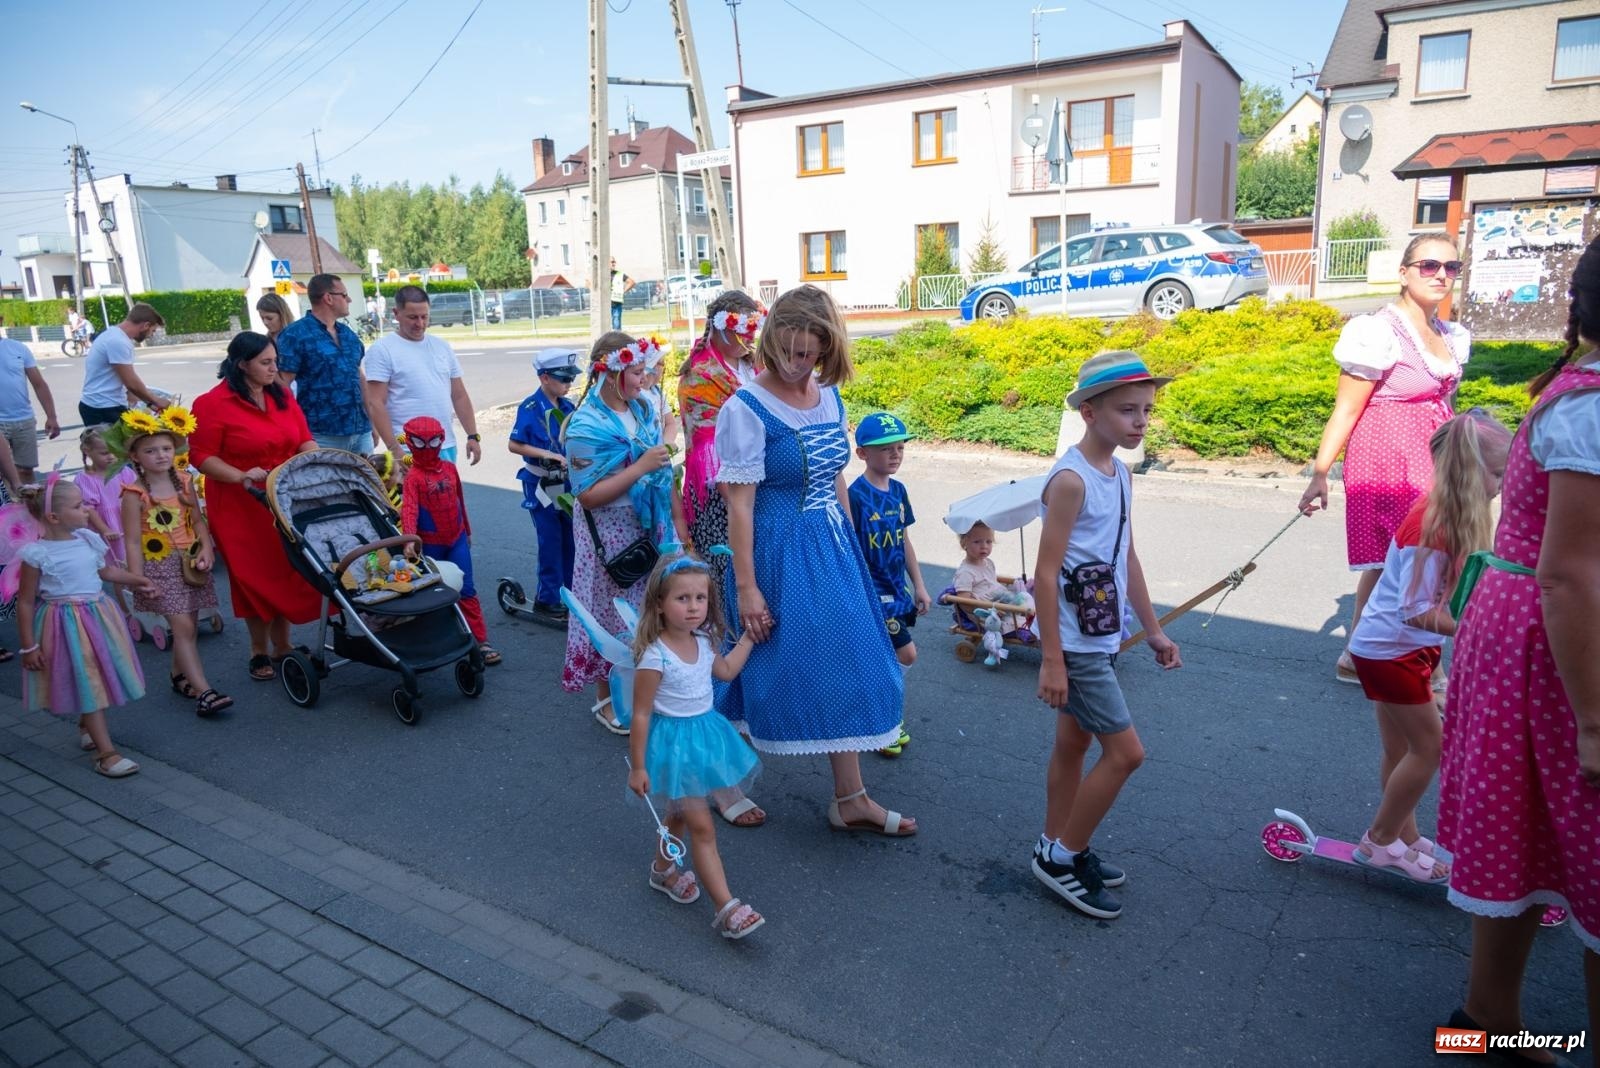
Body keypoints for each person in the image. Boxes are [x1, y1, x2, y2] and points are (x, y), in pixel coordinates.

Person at [1437, 235, 1600, 1050]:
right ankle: (1486, 1024)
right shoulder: (1590, 404)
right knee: (1556, 825)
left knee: (1525, 824)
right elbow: (1572, 575)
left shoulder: (1576, 392)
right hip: (1552, 642)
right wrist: (1595, 722)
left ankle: (1480, 1023)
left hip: (1526, 627)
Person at [715, 284, 915, 835]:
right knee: (753, 663)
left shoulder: (828, 396)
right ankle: (717, 780)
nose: (798, 364)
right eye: (788, 352)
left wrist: (854, 546)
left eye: (810, 353)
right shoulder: (745, 408)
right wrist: (748, 587)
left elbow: (835, 478)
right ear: (771, 341)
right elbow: (740, 505)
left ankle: (851, 797)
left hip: (830, 546)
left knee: (849, 659)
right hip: (775, 550)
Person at [1032, 351, 1182, 920]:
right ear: (1089, 413)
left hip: (1102, 636)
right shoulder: (1071, 480)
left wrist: (1153, 629)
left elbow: (1126, 555)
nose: (1141, 421)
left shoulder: (1117, 471)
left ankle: (1056, 842)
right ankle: (1062, 859)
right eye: (1127, 410)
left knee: (1073, 745)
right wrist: (1052, 660)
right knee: (1126, 754)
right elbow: (1045, 574)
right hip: (1075, 644)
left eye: (1146, 409)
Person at [1345, 410, 1511, 882]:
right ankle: (1379, 841)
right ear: (1467, 471)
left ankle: (1404, 837)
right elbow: (1414, 610)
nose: (1502, 483)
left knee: (1401, 750)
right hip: (1390, 651)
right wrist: (1477, 626)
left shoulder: (1444, 514)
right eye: (1497, 473)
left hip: (1395, 649)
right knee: (1429, 749)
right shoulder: (1432, 527)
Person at [1299, 235, 1471, 685]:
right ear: (1404, 272)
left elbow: (1444, 400)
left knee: (1423, 554)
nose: (1441, 275)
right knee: (1400, 555)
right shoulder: (1376, 331)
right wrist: (1321, 473)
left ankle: (1360, 655)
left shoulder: (1451, 335)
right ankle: (1393, 659)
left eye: (1451, 268)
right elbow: (1347, 408)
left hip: (1436, 453)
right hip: (1387, 456)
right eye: (1429, 265)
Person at [627, 552, 765, 940]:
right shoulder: (655, 657)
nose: (692, 607)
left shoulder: (704, 640)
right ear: (659, 604)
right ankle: (727, 906)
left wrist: (750, 640)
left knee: (679, 816)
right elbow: (640, 715)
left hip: (706, 739)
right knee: (702, 825)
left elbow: (725, 671)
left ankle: (661, 871)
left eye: (700, 598)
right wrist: (638, 767)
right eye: (682, 599)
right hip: (674, 746)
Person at [190, 332, 322, 681]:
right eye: (265, 363)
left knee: (286, 569)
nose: (274, 368)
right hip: (239, 503)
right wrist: (238, 476)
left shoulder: (282, 395)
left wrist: (318, 459)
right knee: (252, 576)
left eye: (275, 360)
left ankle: (284, 646)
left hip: (282, 497)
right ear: (241, 364)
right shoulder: (211, 403)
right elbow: (200, 456)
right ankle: (258, 650)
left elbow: (304, 437)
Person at [561, 333, 674, 732]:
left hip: (642, 525)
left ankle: (642, 690)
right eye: (638, 371)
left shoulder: (641, 407)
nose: (646, 379)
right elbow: (588, 495)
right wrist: (642, 467)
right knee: (608, 613)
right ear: (611, 373)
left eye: (646, 371)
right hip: (606, 532)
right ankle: (606, 699)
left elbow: (658, 442)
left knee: (643, 611)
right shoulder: (585, 425)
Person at [13, 476, 151, 778]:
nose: (87, 508)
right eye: (79, 506)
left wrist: (138, 581)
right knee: (86, 679)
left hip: (99, 616)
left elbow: (106, 571)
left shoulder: (88, 539)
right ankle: (107, 754)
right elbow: (25, 602)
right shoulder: (36, 554)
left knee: (95, 673)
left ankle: (86, 724)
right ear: (54, 517)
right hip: (64, 624)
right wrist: (28, 645)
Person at [106, 407, 231, 717]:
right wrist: (137, 579)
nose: (161, 455)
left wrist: (206, 549)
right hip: (159, 567)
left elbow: (199, 523)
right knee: (183, 628)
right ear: (135, 457)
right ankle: (205, 692)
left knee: (187, 625)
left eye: (165, 448)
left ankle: (179, 676)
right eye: (150, 450)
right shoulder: (134, 494)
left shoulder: (185, 482)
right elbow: (133, 541)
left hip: (190, 565)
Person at [848, 411, 931, 758]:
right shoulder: (855, 495)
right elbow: (850, 547)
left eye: (899, 448)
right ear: (863, 453)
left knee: (883, 658)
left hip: (899, 592)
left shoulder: (898, 490)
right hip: (873, 594)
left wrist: (920, 586)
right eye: (885, 449)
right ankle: (884, 723)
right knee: (904, 653)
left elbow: (905, 541)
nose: (895, 454)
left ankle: (873, 714)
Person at [399, 415, 499, 666]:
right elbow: (408, 509)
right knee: (433, 594)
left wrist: (467, 529)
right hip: (430, 544)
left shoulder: (450, 468)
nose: (428, 449)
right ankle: (440, 642)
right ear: (411, 443)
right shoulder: (413, 478)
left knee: (467, 588)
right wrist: (409, 540)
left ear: (441, 439)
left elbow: (459, 501)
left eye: (433, 442)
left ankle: (481, 640)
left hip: (456, 539)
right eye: (420, 444)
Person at [363, 286, 483, 467]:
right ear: (396, 313)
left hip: (444, 445)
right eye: (412, 317)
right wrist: (395, 448)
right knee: (412, 496)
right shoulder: (382, 350)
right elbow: (375, 403)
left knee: (446, 495)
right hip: (408, 449)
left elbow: (459, 395)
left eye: (424, 316)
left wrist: (472, 435)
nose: (419, 323)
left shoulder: (442, 347)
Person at [508, 349, 579, 620]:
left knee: (571, 538)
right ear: (545, 377)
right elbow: (514, 444)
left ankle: (571, 593)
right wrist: (547, 454)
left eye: (571, 378)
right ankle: (547, 598)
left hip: (566, 482)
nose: (568, 384)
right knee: (550, 540)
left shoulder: (568, 406)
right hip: (541, 481)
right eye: (563, 378)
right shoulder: (530, 407)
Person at [274, 273, 372, 453]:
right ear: (328, 298)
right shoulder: (295, 334)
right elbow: (282, 383)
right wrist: (295, 428)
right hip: (321, 434)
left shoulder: (347, 334)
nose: (349, 299)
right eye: (344, 295)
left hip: (360, 431)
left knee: (368, 481)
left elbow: (358, 377)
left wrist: (371, 421)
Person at [78, 303, 167, 427]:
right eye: (153, 330)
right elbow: (131, 382)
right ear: (145, 325)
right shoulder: (118, 341)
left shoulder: (112, 334)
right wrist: (157, 400)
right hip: (104, 407)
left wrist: (150, 403)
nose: (151, 335)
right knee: (117, 445)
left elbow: (121, 381)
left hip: (102, 405)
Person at [0, 320, 59, 482]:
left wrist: (51, 416)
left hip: (23, 420)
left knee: (26, 470)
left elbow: (39, 384)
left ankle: (28, 505)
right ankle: (7, 506)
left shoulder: (18, 348)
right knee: (3, 473)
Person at [76, 426, 138, 568]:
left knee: (135, 561)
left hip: (128, 521)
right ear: (87, 451)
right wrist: (105, 529)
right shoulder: (86, 478)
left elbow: (138, 495)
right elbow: (89, 509)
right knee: (117, 565)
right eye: (104, 453)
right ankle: (120, 590)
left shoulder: (125, 472)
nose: (111, 456)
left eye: (114, 452)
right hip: (108, 527)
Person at [953, 522, 1036, 617]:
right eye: (977, 542)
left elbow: (990, 583)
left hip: (1001, 601)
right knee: (1021, 621)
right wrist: (990, 609)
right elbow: (964, 602)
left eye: (989, 541)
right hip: (985, 612)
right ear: (964, 544)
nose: (984, 546)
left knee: (1027, 603)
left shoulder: (989, 563)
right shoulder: (965, 573)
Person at [609, 257, 633, 332]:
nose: (614, 264)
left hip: (616, 302)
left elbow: (631, 282)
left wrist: (623, 291)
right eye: (612, 262)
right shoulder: (601, 274)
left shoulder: (619, 274)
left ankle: (617, 340)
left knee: (616, 324)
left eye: (614, 262)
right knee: (605, 325)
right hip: (605, 303)